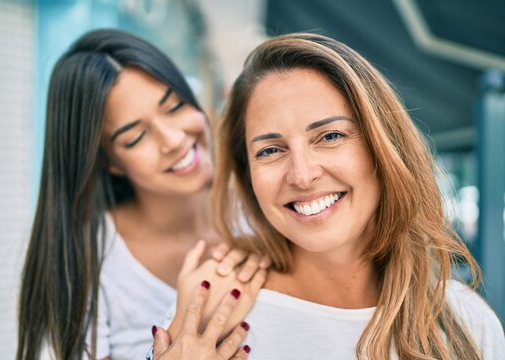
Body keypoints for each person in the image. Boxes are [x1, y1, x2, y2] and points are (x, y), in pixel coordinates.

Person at [207, 32, 505, 359]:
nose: (303, 175)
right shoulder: (216, 318)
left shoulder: (467, 322)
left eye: (330, 136)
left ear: (383, 147)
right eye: (270, 150)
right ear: (247, 174)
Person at [16, 29, 268, 360]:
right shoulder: (85, 261)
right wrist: (181, 329)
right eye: (136, 137)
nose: (174, 139)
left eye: (175, 106)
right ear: (109, 162)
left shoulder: (266, 203)